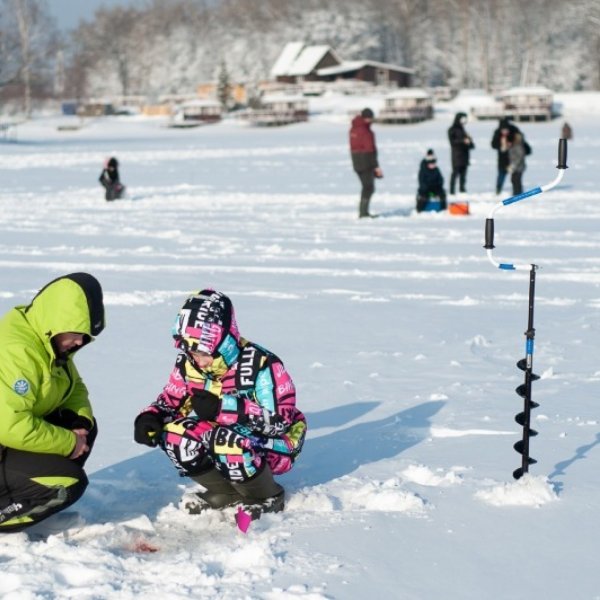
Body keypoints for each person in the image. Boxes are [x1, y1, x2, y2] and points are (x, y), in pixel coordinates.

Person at [133, 289, 307, 520]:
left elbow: (280, 422)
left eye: (203, 352)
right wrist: (151, 417)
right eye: (191, 351)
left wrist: (223, 408)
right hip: (223, 435)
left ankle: (265, 495)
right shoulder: (189, 364)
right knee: (175, 436)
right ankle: (225, 491)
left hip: (277, 443)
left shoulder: (262, 364)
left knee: (225, 440)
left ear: (223, 342)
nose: (197, 359)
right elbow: (171, 401)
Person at [0, 273, 105, 533]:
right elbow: (10, 426)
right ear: (58, 321)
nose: (80, 341)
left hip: (8, 444)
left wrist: (79, 423)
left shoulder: (49, 340)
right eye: (78, 333)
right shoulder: (18, 353)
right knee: (67, 483)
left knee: (86, 430)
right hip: (6, 437)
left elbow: (74, 387)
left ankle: (23, 492)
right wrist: (68, 442)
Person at [349, 108, 383, 218]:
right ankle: (363, 213)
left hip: (357, 162)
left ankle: (363, 212)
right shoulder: (366, 131)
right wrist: (376, 166)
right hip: (366, 162)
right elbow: (370, 150)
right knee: (369, 187)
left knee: (366, 187)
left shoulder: (353, 129)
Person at [491, 118, 520, 195]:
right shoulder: (497, 133)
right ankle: (498, 190)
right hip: (502, 159)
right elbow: (493, 144)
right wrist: (501, 146)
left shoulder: (514, 131)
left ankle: (516, 192)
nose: (505, 131)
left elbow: (519, 142)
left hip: (513, 159)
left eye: (506, 130)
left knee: (515, 177)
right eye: (503, 130)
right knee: (501, 175)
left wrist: (511, 144)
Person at [447, 112, 475, 195]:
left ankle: (462, 190)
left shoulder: (463, 129)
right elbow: (452, 142)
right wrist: (463, 141)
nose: (465, 121)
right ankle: (452, 191)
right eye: (463, 119)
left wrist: (469, 141)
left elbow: (471, 145)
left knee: (463, 175)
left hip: (465, 156)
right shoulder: (452, 129)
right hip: (457, 155)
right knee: (455, 173)